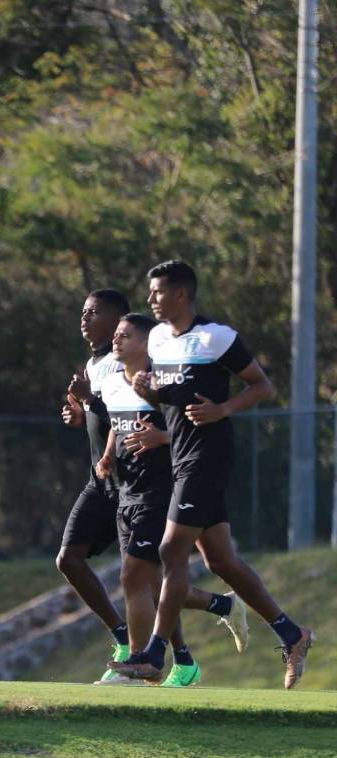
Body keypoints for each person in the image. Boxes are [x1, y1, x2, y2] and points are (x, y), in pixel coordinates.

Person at [111, 261, 314, 688]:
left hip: (209, 457)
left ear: (181, 294)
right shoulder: (161, 340)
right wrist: (152, 391)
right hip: (180, 456)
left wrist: (222, 409)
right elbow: (174, 397)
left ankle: (154, 655)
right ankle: (292, 634)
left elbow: (262, 386)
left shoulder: (216, 337)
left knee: (170, 551)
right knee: (221, 560)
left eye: (158, 292)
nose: (150, 300)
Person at [95, 312, 249, 687]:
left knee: (134, 575)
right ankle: (221, 607)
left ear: (146, 344)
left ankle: (137, 663)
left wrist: (159, 439)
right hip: (128, 491)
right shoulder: (114, 381)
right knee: (148, 583)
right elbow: (119, 424)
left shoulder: (162, 380)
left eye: (125, 335)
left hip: (162, 488)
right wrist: (109, 453)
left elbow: (188, 428)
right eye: (115, 334)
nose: (115, 341)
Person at [58, 289, 132, 682]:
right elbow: (99, 418)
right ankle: (123, 638)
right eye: (83, 311)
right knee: (69, 558)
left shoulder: (122, 362)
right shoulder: (92, 363)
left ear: (117, 317)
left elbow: (126, 418)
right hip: (99, 481)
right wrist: (80, 413)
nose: (84, 318)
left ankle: (181, 659)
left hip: (129, 482)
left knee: (142, 577)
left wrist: (91, 403)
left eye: (93, 312)